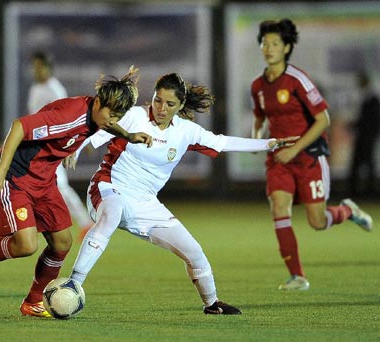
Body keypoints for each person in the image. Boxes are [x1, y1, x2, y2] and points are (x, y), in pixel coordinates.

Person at [67, 73, 298, 315]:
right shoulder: (134, 116)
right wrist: (76, 149)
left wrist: (268, 144)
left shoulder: (186, 132)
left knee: (194, 251)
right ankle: (74, 283)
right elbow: (97, 128)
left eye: (169, 104)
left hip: (145, 203)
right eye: (158, 100)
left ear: (180, 106)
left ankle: (212, 304)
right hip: (108, 187)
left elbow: (223, 142)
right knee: (111, 214)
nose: (161, 108)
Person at [0, 66, 152, 318]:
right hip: (17, 177)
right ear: (97, 102)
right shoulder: (69, 115)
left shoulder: (99, 115)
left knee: (63, 241)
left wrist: (128, 135)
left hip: (45, 180)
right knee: (26, 245)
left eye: (118, 116)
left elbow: (107, 123)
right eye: (111, 113)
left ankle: (33, 302)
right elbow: (19, 127)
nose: (112, 120)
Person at [250, 18, 373, 291]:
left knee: (317, 222)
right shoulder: (258, 86)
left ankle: (347, 210)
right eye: (265, 43)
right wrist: (256, 139)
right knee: (279, 210)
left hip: (308, 158)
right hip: (279, 161)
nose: (268, 48)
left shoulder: (297, 79)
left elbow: (323, 119)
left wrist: (294, 148)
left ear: (287, 47)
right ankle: (298, 277)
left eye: (275, 43)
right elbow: (259, 119)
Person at [27, 51, 93, 239]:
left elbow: (66, 117)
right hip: (39, 144)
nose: (36, 70)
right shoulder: (36, 88)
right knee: (41, 185)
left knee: (60, 186)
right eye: (34, 67)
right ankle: (44, 223)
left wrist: (77, 139)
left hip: (53, 144)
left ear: (48, 68)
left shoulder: (54, 90)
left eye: (40, 66)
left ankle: (86, 224)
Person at [348, 71, 380, 196]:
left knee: (365, 163)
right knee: (360, 164)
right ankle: (358, 190)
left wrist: (357, 126)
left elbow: (372, 121)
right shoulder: (366, 98)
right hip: (363, 137)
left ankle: (368, 191)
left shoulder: (372, 100)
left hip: (367, 138)